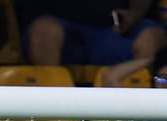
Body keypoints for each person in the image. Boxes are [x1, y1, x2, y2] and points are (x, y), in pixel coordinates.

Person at [26, 2, 166, 68]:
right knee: (45, 30)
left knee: (151, 37)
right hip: (61, 25)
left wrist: (135, 13)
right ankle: (56, 111)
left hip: (117, 28)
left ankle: (140, 116)